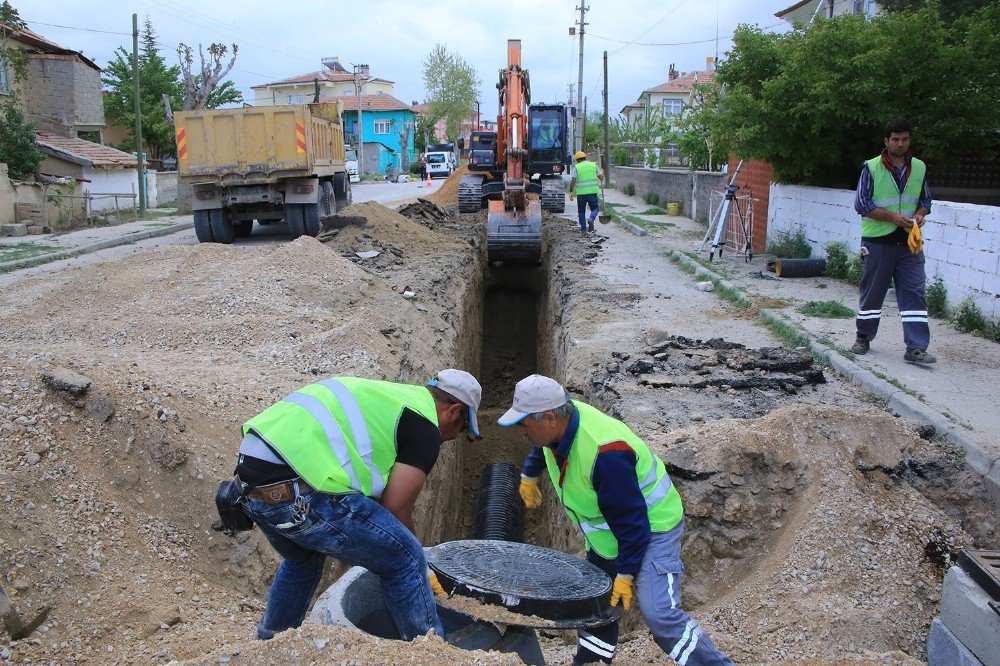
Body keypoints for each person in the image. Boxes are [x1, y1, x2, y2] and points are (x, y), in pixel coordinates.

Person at [499, 375, 733, 666]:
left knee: (660, 615)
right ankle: (590, 662)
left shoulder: (605, 453)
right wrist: (530, 474)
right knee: (596, 605)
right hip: (606, 535)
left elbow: (633, 523)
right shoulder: (560, 420)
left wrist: (625, 574)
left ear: (548, 418)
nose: (520, 431)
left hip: (652, 527)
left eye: (523, 424)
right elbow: (543, 445)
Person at [234, 369, 482, 641]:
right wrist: (420, 561)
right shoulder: (425, 428)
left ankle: (269, 642)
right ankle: (429, 653)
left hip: (250, 488)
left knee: (302, 559)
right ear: (454, 411)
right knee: (405, 559)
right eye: (462, 429)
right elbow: (395, 508)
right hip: (299, 494)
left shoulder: (391, 399)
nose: (456, 437)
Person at [851, 118, 935, 365]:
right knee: (873, 293)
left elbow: (926, 200)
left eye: (905, 139)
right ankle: (863, 337)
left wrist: (920, 215)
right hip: (878, 241)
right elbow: (862, 204)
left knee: (915, 293)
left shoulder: (918, 168)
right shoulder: (872, 167)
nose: (900, 144)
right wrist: (892, 218)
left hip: (909, 242)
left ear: (909, 140)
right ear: (886, 141)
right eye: (895, 139)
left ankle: (916, 348)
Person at [569, 150, 603, 233]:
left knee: (581, 211)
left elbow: (573, 180)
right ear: (585, 158)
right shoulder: (593, 165)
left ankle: (583, 229)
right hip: (592, 192)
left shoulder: (577, 167)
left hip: (581, 194)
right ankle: (591, 218)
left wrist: (571, 191)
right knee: (595, 208)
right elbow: (601, 178)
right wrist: (602, 172)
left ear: (577, 160)